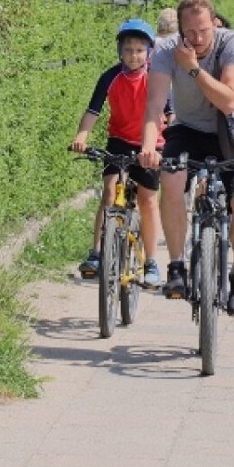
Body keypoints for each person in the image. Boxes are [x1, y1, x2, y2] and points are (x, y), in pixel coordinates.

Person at [140, 0, 234, 316]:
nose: (196, 39)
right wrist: (147, 145)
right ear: (180, 28)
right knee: (170, 180)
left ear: (215, 24)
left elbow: (228, 100)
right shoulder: (167, 50)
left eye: (203, 31)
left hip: (232, 134)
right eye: (189, 32)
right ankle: (177, 266)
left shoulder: (232, 44)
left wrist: (194, 69)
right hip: (188, 130)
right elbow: (155, 106)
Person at [70, 18, 163, 288]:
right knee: (109, 192)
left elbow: (170, 114)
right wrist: (81, 136)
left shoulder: (156, 78)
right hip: (119, 141)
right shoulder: (110, 76)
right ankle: (96, 252)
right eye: (128, 49)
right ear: (120, 51)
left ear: (148, 52)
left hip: (150, 144)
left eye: (139, 50)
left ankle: (152, 261)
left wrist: (163, 145)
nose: (133, 55)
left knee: (148, 199)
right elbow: (93, 111)